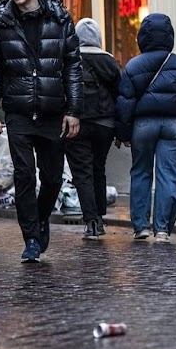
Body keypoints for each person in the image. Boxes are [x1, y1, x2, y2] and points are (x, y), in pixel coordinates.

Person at [0, 0, 83, 263]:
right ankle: (30, 239)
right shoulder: (1, 23)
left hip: (52, 111)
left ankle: (40, 219)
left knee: (51, 178)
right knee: (24, 175)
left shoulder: (60, 18)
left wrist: (74, 109)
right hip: (19, 111)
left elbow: (73, 67)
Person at [115, 13, 176, 243]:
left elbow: (125, 102)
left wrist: (123, 133)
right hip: (173, 125)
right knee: (169, 175)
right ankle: (162, 229)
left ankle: (141, 227)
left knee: (141, 172)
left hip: (142, 125)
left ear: (142, 37)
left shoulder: (134, 65)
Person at [66, 18, 121, 240]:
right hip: (105, 124)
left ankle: (91, 221)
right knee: (99, 168)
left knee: (82, 173)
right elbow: (120, 95)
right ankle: (99, 215)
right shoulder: (109, 61)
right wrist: (120, 128)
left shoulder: (71, 59)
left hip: (77, 123)